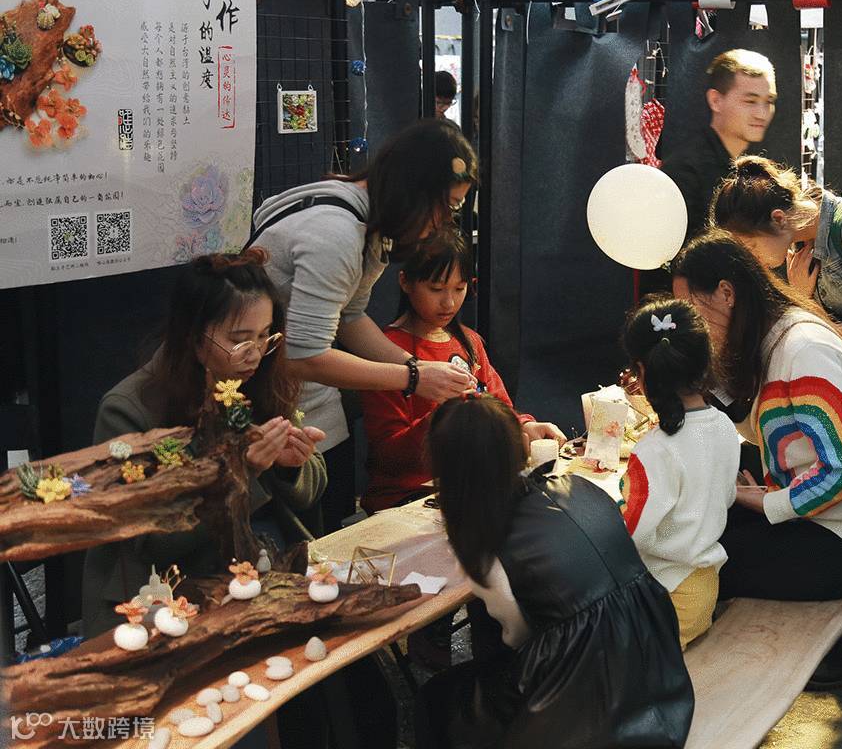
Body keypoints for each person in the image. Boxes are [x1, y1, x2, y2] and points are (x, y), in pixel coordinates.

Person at [414, 394, 694, 749]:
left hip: (587, 710)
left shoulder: (485, 544)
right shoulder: (582, 487)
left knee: (437, 697)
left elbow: (518, 637)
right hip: (658, 680)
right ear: (521, 444)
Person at [248, 119, 478, 532]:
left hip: (306, 401)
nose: (445, 221)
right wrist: (412, 377)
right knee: (302, 543)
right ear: (414, 188)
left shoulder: (367, 220)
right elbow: (304, 355)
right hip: (267, 407)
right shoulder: (337, 233)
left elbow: (349, 317)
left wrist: (418, 367)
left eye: (456, 208)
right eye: (447, 205)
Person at [83, 249, 327, 636]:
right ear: (194, 338)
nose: (255, 354)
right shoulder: (130, 410)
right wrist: (242, 472)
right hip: (167, 589)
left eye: (265, 336)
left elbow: (310, 492)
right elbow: (152, 540)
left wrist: (290, 466)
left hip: (262, 563)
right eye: (239, 340)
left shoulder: (260, 380)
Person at [671, 232, 842, 605]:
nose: (692, 322)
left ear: (726, 293)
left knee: (692, 560)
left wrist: (766, 502)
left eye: (691, 306)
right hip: (814, 518)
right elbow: (758, 421)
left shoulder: (803, 349)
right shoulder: (774, 336)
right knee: (691, 524)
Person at [360, 229, 565, 514]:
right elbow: (388, 457)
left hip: (472, 489)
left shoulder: (469, 342)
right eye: (436, 289)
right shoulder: (385, 351)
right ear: (405, 282)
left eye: (459, 289)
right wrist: (441, 419)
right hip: (408, 498)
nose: (449, 302)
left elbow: (500, 407)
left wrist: (524, 426)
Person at [617, 298, 739, 650]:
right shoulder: (724, 426)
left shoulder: (654, 449)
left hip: (667, 594)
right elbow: (727, 497)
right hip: (703, 586)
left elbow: (632, 534)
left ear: (642, 372)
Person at [711, 154, 842, 344]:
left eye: (752, 246)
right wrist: (802, 295)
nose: (753, 258)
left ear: (778, 219)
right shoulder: (798, 250)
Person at [660, 49, 777, 244]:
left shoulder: (750, 167)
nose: (761, 113)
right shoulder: (685, 171)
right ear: (716, 100)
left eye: (769, 101)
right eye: (750, 101)